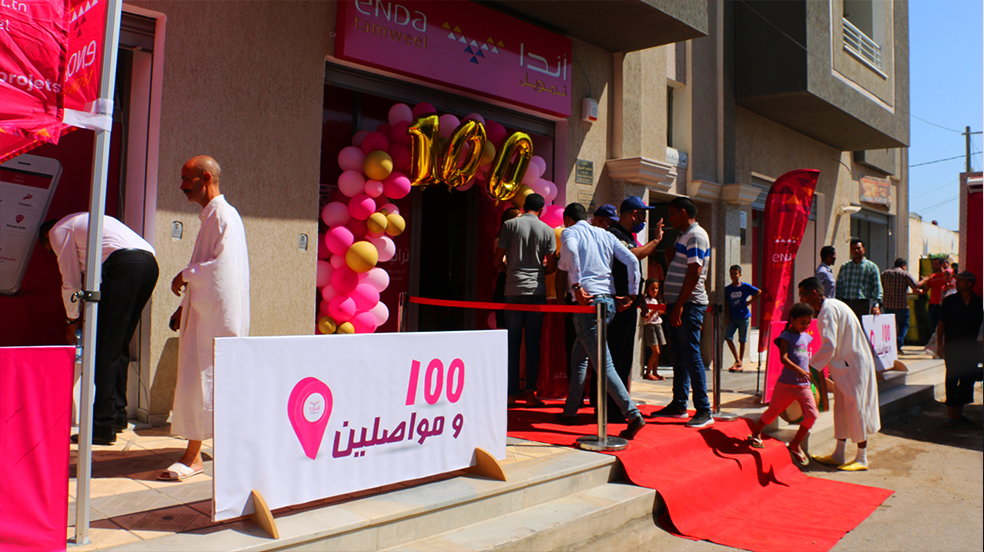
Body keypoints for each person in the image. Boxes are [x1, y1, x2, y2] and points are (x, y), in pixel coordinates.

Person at [160, 155, 250, 481]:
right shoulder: (212, 217)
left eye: (187, 179)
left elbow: (223, 273)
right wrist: (184, 306)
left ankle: (193, 456)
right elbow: (211, 270)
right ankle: (199, 452)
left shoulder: (225, 216)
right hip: (205, 316)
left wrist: (184, 275)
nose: (182, 186)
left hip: (215, 323)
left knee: (205, 381)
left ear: (206, 177)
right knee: (203, 382)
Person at [41, 214, 159, 446]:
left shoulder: (58, 231)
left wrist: (71, 319)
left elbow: (71, 280)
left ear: (47, 237)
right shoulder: (85, 223)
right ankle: (118, 416)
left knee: (104, 348)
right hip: (148, 264)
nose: (54, 254)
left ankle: (102, 427)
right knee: (118, 344)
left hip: (123, 265)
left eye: (51, 251)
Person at [555, 203, 646, 439]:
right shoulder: (604, 233)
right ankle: (570, 411)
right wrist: (633, 294)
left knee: (603, 365)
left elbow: (572, 256)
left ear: (567, 219)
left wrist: (576, 286)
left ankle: (633, 414)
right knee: (580, 356)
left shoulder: (570, 232)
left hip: (588, 305)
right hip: (607, 303)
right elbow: (632, 261)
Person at [798, 277, 880, 471]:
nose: (801, 299)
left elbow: (829, 345)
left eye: (803, 294)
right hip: (846, 365)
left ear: (814, 294)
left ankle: (861, 457)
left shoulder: (828, 310)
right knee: (842, 408)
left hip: (851, 365)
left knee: (856, 406)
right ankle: (839, 453)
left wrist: (811, 366)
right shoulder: (832, 306)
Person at [650, 197, 713, 428]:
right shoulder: (683, 235)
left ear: (684, 212)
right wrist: (670, 258)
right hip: (678, 303)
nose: (670, 219)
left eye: (673, 214)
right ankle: (679, 404)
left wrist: (679, 306)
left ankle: (704, 410)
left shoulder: (695, 235)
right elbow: (682, 268)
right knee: (679, 357)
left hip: (688, 305)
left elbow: (694, 273)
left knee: (691, 356)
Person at [494, 193, 557, 407]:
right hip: (536, 292)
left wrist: (510, 270)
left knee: (512, 345)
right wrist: (540, 273)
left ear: (523, 206)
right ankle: (530, 394)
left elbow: (497, 260)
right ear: (541, 210)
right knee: (532, 346)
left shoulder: (510, 225)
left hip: (512, 290)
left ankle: (510, 395)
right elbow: (552, 266)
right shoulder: (547, 230)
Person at [604, 196, 662, 422]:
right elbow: (632, 256)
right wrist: (656, 241)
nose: (645, 219)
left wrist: (640, 301)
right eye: (643, 214)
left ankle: (618, 405)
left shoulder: (628, 236)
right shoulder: (615, 234)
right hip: (618, 305)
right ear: (633, 214)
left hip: (629, 305)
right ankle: (610, 408)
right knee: (616, 358)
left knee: (624, 359)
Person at [746, 302, 818, 466]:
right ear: (792, 319)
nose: (805, 326)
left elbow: (806, 358)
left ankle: (795, 443)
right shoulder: (786, 336)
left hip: (804, 386)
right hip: (786, 384)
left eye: (808, 322)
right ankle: (756, 433)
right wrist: (799, 370)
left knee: (812, 415)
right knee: (773, 412)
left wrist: (810, 373)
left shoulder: (806, 337)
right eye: (802, 322)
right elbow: (783, 358)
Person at [937, 271, 983, 427]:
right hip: (952, 346)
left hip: (971, 348)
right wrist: (939, 344)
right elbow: (941, 324)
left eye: (961, 281)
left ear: (970, 284)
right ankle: (951, 414)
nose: (957, 283)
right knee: (951, 378)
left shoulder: (978, 303)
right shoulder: (950, 301)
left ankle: (959, 414)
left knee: (967, 379)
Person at [724, 264, 762, 372]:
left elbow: (759, 292)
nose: (733, 276)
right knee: (728, 337)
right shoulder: (728, 289)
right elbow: (727, 303)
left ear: (740, 274)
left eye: (735, 273)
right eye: (731, 274)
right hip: (733, 317)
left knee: (742, 340)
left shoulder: (745, 286)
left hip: (743, 316)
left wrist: (749, 302)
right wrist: (727, 317)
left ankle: (740, 362)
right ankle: (737, 359)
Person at [835, 238, 883, 321]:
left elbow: (877, 287)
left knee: (861, 330)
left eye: (858, 248)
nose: (856, 251)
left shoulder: (871, 267)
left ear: (863, 249)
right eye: (853, 249)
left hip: (862, 305)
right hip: (846, 304)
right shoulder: (845, 267)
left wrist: (876, 305)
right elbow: (839, 286)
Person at [880, 258, 920, 352]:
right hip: (901, 305)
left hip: (887, 304)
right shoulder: (904, 273)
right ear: (903, 265)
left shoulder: (884, 274)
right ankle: (898, 343)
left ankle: (889, 345)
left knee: (890, 326)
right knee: (903, 325)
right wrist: (926, 278)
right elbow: (915, 285)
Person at [492, 207, 522, 330]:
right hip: (506, 281)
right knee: (503, 322)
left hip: (520, 282)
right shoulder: (500, 239)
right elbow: (502, 261)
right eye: (517, 220)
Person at [917, 255, 953, 335]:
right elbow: (924, 291)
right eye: (933, 264)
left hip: (943, 305)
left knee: (943, 327)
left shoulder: (947, 275)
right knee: (933, 328)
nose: (934, 266)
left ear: (941, 264)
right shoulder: (932, 277)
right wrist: (918, 291)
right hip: (932, 305)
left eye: (936, 264)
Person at [642, 278, 666, 381]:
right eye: (652, 288)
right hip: (650, 326)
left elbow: (656, 314)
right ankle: (648, 372)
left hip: (657, 324)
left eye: (656, 288)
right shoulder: (646, 301)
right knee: (655, 351)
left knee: (659, 350)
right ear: (647, 289)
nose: (655, 291)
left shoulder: (655, 300)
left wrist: (661, 311)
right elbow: (646, 317)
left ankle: (655, 372)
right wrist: (655, 309)